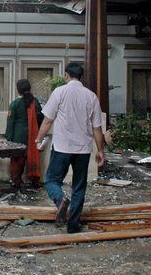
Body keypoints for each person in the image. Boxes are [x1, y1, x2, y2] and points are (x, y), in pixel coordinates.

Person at [35, 63, 105, 233]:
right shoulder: (91, 96)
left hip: (62, 147)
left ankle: (60, 201)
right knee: (79, 186)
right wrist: (100, 151)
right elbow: (97, 128)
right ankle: (73, 225)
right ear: (81, 77)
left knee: (52, 180)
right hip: (83, 149)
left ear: (66, 75)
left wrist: (39, 138)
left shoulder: (59, 92)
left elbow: (48, 120)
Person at [5, 79, 44, 189]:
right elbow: (41, 118)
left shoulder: (15, 104)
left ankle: (16, 181)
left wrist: (8, 138)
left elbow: (10, 123)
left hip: (18, 137)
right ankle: (34, 181)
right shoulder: (35, 102)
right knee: (31, 158)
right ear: (29, 88)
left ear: (19, 91)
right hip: (33, 137)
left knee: (18, 160)